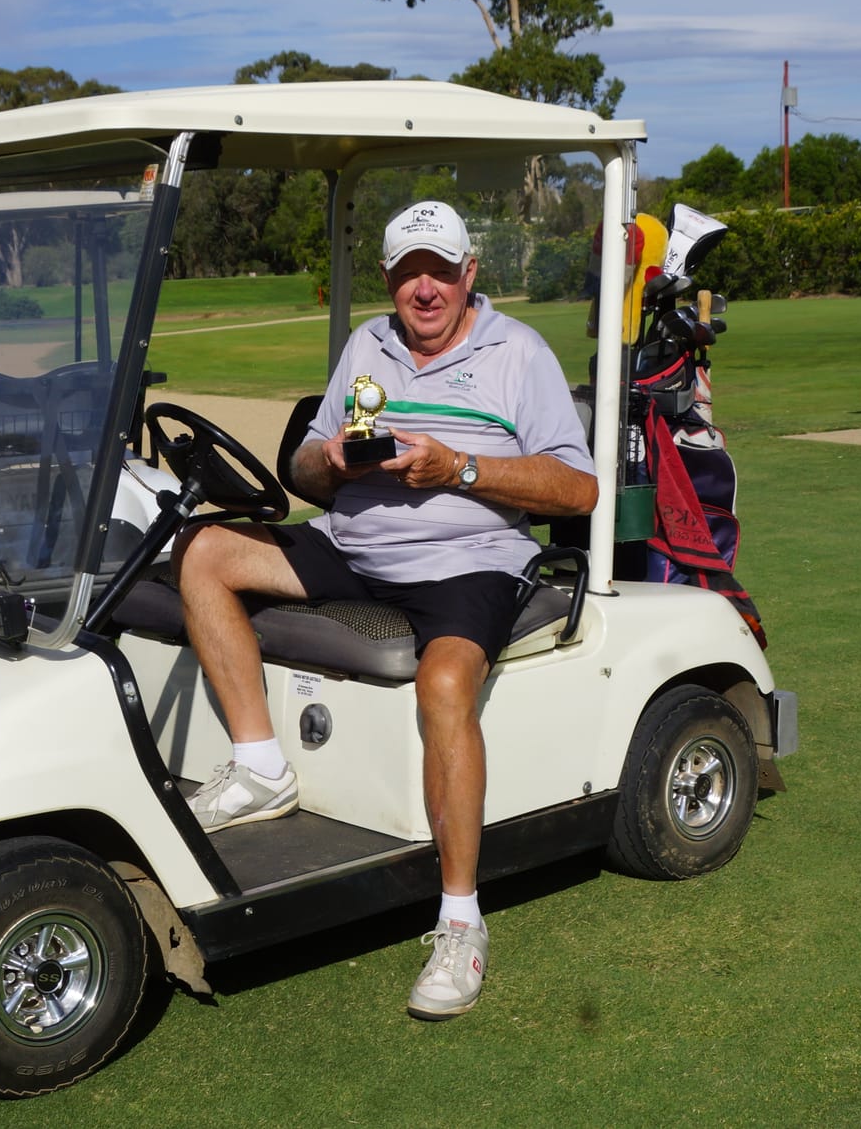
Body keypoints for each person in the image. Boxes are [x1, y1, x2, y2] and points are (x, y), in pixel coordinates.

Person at [172, 199, 598, 1020]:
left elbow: (576, 486)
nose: (425, 288)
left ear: (470, 273)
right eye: (409, 272)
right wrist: (327, 462)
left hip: (465, 559)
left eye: (440, 270)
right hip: (356, 543)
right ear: (392, 279)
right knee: (202, 553)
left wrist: (459, 470)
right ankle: (261, 764)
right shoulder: (368, 343)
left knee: (444, 683)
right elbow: (305, 462)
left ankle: (460, 919)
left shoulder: (519, 352)